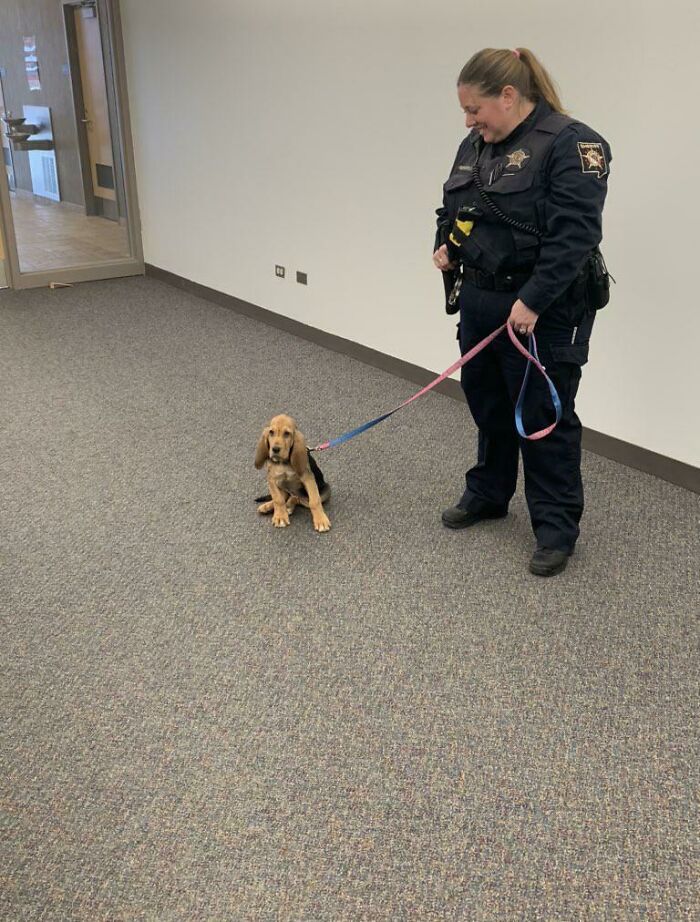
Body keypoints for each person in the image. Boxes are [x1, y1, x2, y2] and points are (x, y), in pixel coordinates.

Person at [434, 47, 612, 577]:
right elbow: (455, 207)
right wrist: (444, 245)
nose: (468, 121)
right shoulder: (477, 143)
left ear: (508, 96)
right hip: (483, 299)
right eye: (465, 112)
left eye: (475, 109)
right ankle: (488, 493)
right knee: (487, 402)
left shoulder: (572, 143)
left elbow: (576, 235)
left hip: (543, 307)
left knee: (542, 418)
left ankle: (555, 528)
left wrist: (532, 301)